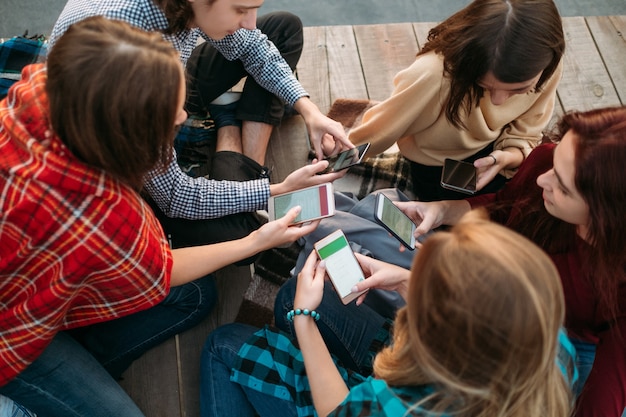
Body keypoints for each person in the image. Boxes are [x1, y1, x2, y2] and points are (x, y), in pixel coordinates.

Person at [0, 17, 322, 416]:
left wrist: (274, 192)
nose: (184, 119)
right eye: (171, 117)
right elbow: (160, 268)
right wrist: (257, 241)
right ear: (129, 132)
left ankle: (76, 353)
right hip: (12, 340)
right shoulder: (101, 211)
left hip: (25, 281)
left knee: (197, 293)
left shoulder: (39, 88)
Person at [279, 106, 626, 416]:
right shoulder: (553, 353)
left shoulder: (407, 398)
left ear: (605, 216)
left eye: (563, 186)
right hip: (504, 323)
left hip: (500, 332)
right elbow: (504, 205)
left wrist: (303, 321)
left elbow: (346, 410)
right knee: (374, 225)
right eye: (554, 161)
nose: (541, 178)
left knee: (258, 324)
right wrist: (436, 222)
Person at [48, 0, 351, 258]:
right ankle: (228, 125)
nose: (250, 23)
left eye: (254, 8)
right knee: (245, 235)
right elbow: (175, 195)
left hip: (157, 90)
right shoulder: (129, 55)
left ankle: (236, 140)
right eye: (240, 9)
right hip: (121, 128)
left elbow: (251, 45)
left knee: (284, 27)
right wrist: (275, 191)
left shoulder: (182, 10)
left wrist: (307, 109)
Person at [200, 212, 576, 417]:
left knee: (223, 345)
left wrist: (303, 319)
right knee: (287, 297)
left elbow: (340, 410)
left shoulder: (402, 406)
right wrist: (404, 284)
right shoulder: (548, 342)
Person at [346, 0, 565, 201]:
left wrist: (505, 158)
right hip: (437, 165)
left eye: (519, 89)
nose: (498, 102)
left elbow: (526, 133)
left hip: (499, 157)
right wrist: (338, 160)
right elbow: (380, 132)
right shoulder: (433, 75)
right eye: (485, 86)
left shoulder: (544, 66)